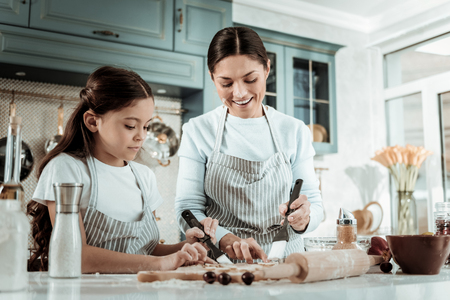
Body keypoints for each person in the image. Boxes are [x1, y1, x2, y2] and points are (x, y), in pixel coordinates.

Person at [27, 66, 215, 273]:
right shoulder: (66, 168)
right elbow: (74, 255)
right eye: (130, 126)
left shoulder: (144, 177)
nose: (141, 136)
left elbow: (146, 251)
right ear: (92, 121)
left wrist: (185, 250)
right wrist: (162, 263)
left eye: (146, 126)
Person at [175, 27, 323, 263]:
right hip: (221, 262)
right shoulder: (197, 130)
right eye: (226, 83)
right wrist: (226, 238)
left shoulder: (294, 130)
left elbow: (314, 203)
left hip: (288, 263)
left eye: (250, 79)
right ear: (212, 77)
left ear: (266, 69)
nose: (240, 92)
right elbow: (187, 208)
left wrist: (306, 217)